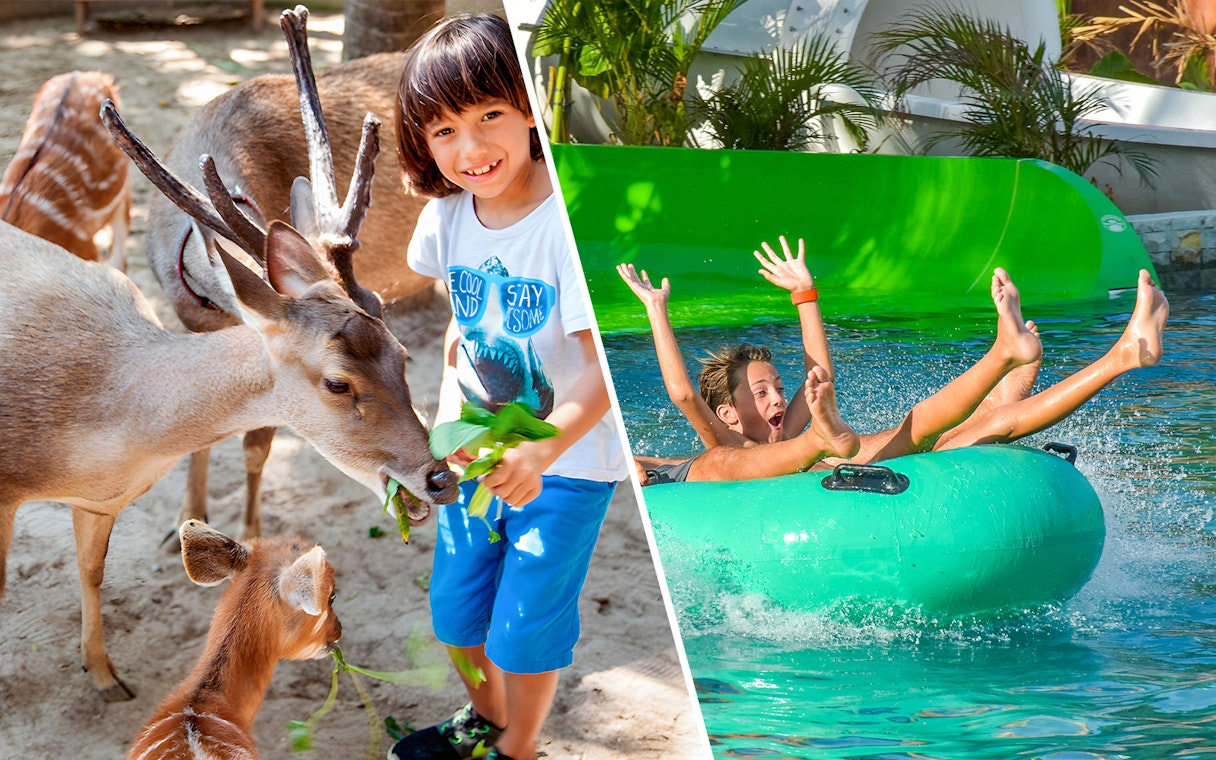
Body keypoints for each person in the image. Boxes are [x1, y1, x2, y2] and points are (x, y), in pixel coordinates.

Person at [390, 14, 629, 760]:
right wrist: (438, 426)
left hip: (566, 465)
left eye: (490, 115)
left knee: (525, 626)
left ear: (532, 110)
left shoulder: (568, 228)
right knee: (456, 617)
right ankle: (486, 723)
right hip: (474, 455)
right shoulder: (447, 218)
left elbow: (603, 374)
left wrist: (541, 454)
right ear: (423, 146)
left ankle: (517, 747)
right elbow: (463, 329)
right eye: (444, 131)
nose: (472, 148)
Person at [622, 236, 1168, 483]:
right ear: (727, 414)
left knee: (969, 423)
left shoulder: (784, 429)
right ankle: (1057, 359)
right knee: (977, 423)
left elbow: (819, 376)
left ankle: (1028, 358)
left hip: (867, 456)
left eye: (774, 386)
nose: (774, 397)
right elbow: (683, 395)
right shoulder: (728, 446)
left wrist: (806, 296)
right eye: (759, 392)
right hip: (860, 460)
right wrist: (656, 311)